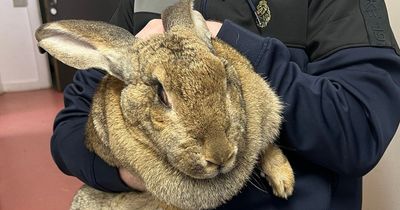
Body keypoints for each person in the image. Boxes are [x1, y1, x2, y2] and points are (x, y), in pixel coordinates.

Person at [50, 0, 400, 209]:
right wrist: (130, 173)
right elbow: (70, 128)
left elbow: (360, 129)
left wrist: (229, 43)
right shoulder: (144, 4)